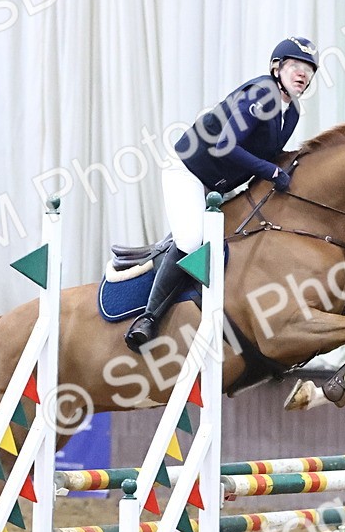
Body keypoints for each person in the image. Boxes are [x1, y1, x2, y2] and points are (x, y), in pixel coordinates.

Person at [124, 36, 319, 353]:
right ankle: (148, 319)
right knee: (189, 242)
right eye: (296, 65)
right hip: (188, 171)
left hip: (217, 184)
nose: (303, 74)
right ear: (276, 67)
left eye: (309, 69)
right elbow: (225, 145)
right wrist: (270, 172)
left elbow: (269, 153)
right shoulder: (262, 94)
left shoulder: (292, 112)